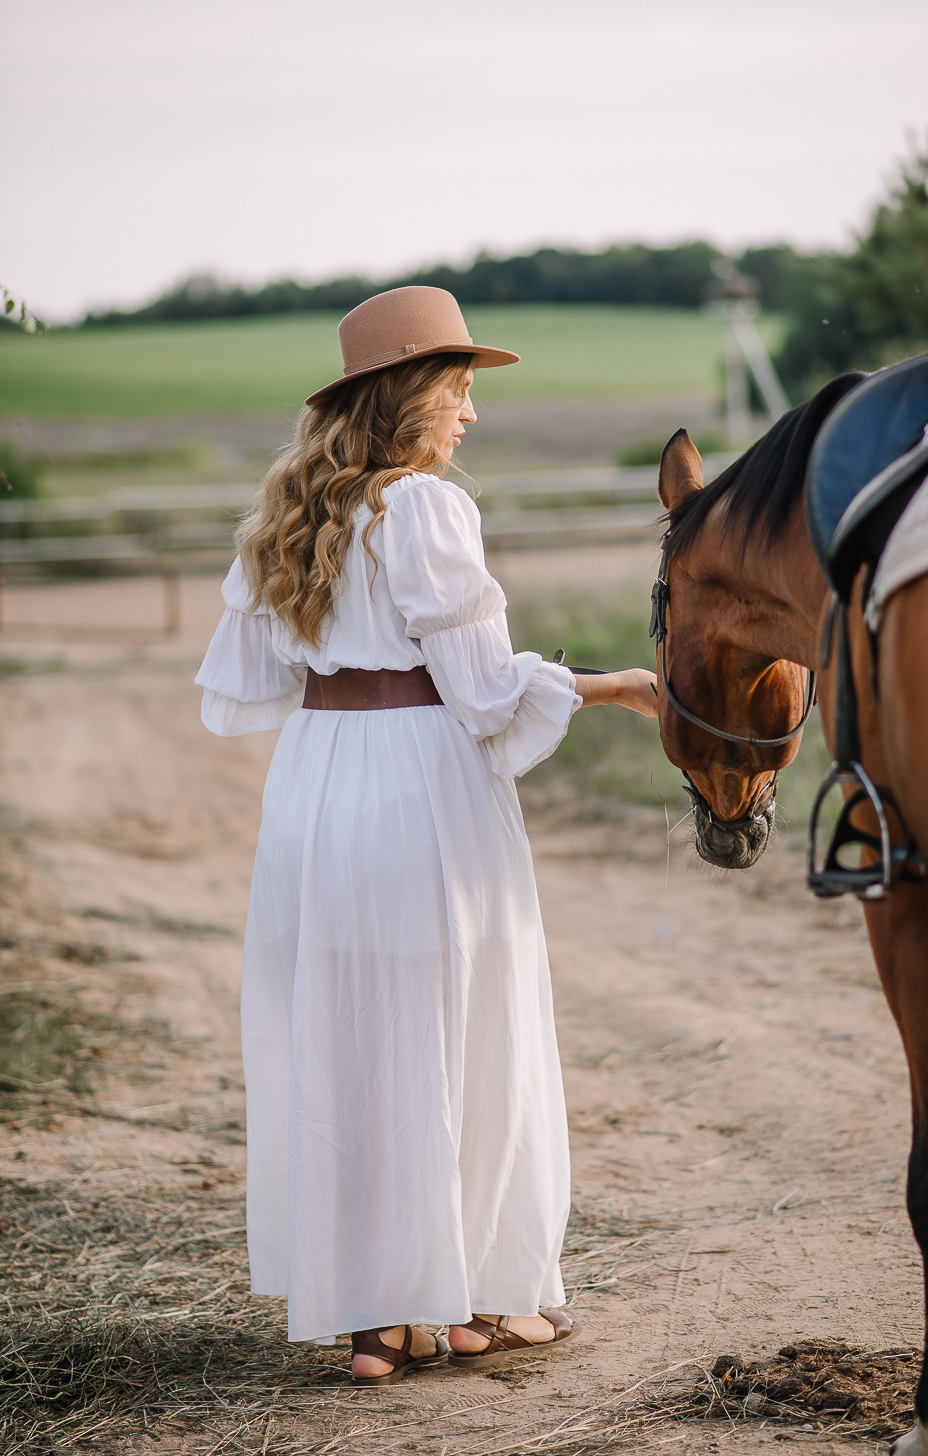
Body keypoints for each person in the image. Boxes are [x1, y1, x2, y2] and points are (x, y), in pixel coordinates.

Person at [196, 287, 658, 1385]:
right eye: (457, 392)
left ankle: (375, 1321)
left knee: (353, 1038)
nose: (471, 416)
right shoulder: (429, 511)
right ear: (407, 400)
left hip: (317, 787)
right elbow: (487, 695)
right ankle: (467, 1303)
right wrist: (616, 686)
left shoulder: (284, 518)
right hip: (422, 790)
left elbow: (248, 684)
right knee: (464, 1032)